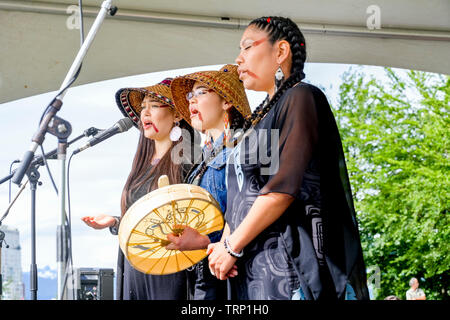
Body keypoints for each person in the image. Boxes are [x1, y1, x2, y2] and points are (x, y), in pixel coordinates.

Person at [207, 16, 370, 300]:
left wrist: (232, 246)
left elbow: (282, 189)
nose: (238, 58)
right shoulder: (258, 119)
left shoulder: (302, 97)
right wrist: (224, 245)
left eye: (246, 47)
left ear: (280, 51)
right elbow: (241, 195)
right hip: (253, 268)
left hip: (288, 266)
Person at [81, 78, 197, 300]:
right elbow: (144, 218)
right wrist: (115, 221)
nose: (145, 113)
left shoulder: (189, 161)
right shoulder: (142, 163)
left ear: (177, 115)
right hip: (135, 266)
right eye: (143, 107)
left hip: (168, 268)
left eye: (154, 105)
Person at [165, 64, 251, 300]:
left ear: (226, 102)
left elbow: (246, 209)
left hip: (233, 277)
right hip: (202, 277)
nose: (192, 101)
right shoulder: (202, 159)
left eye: (201, 92)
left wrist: (205, 241)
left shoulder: (243, 147)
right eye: (190, 96)